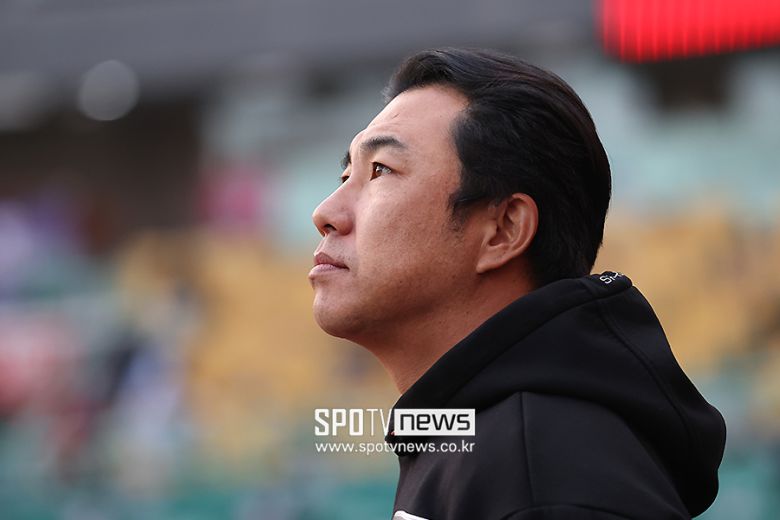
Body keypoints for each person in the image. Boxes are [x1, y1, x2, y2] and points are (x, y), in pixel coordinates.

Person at [308, 48, 725, 520]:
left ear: (504, 230)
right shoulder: (488, 442)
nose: (325, 213)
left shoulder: (545, 470)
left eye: (381, 170)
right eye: (346, 174)